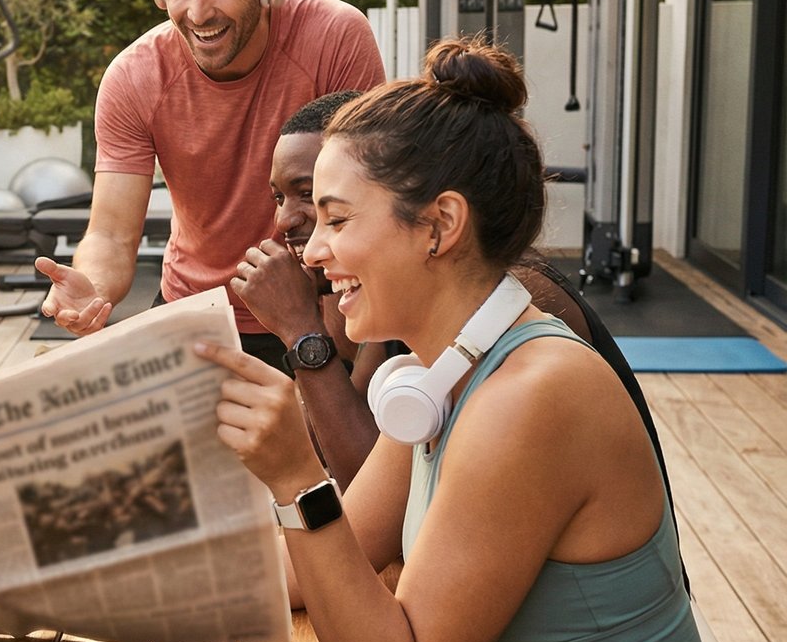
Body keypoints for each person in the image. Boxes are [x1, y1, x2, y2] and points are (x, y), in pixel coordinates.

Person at [200, 39, 781, 642]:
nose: (311, 250)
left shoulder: (532, 395)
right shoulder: (452, 369)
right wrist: (107, 575)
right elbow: (328, 564)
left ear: (439, 224)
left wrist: (298, 480)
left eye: (335, 218)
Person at [235, 87, 674, 500]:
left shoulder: (512, 313)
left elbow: (360, 482)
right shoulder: (390, 305)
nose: (284, 222)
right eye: (278, 197)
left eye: (328, 207)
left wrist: (301, 334)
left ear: (439, 222)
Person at [35, 0, 386, 367]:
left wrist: (340, 335)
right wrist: (88, 290)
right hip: (195, 313)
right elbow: (112, 234)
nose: (198, 13)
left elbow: (364, 204)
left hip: (319, 310)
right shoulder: (134, 76)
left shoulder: (336, 37)